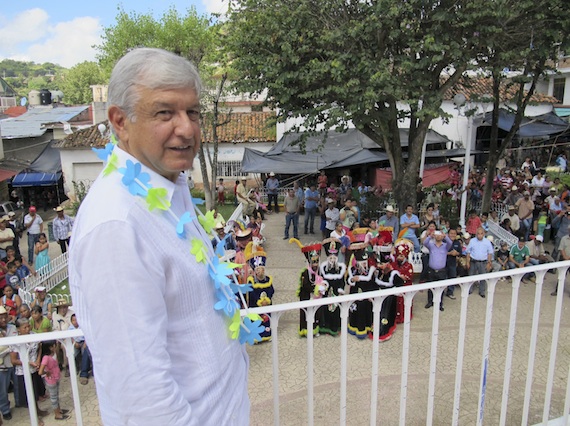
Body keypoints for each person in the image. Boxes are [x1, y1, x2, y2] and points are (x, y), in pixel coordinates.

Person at [68, 48, 249, 424]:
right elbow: (141, 397)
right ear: (120, 121)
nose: (186, 128)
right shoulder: (116, 224)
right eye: (165, 112)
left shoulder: (171, 188)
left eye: (193, 112)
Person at [38, 340, 70, 420]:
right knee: (53, 397)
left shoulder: (53, 354)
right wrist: (47, 372)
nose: (56, 347)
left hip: (56, 378)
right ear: (50, 348)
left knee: (56, 395)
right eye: (54, 345)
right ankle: (57, 414)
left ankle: (59, 410)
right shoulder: (46, 358)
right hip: (51, 380)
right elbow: (40, 372)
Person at [424, 231, 452, 311]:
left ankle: (440, 303)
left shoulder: (445, 246)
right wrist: (430, 236)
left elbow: (450, 243)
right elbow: (425, 243)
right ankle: (430, 302)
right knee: (430, 287)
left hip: (441, 270)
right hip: (431, 270)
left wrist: (445, 236)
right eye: (437, 235)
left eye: (440, 235)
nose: (438, 237)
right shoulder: (431, 245)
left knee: (441, 288)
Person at [466, 227, 494, 297]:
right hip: (473, 261)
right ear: (476, 234)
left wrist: (489, 263)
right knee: (471, 276)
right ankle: (469, 289)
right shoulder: (472, 241)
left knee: (483, 277)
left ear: (484, 234)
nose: (480, 235)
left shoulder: (487, 242)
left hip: (483, 262)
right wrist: (467, 262)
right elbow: (468, 252)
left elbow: (490, 253)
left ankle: (482, 291)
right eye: (478, 233)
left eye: (481, 233)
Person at [0, 306, 17, 420]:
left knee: (19, 384)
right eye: (0, 318)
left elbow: (16, 344)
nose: (3, 320)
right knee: (3, 390)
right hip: (2, 366)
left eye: (4, 317)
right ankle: (5, 410)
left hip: (15, 363)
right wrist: (9, 348)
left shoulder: (12, 327)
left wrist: (6, 348)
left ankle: (21, 402)